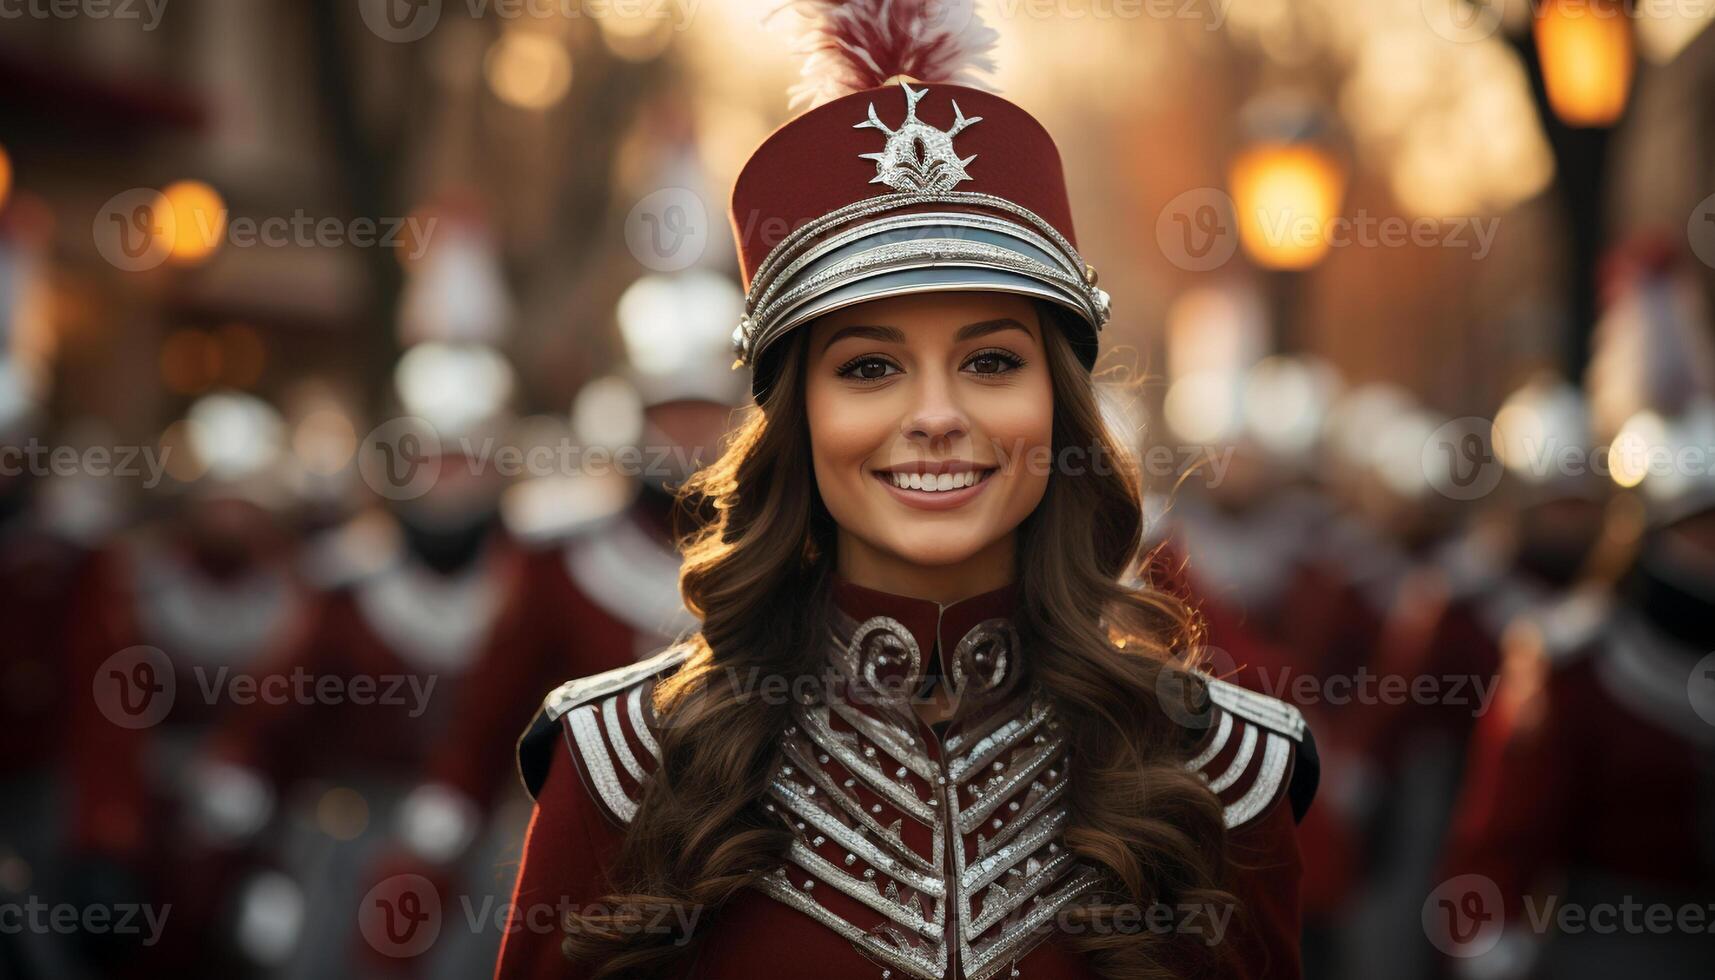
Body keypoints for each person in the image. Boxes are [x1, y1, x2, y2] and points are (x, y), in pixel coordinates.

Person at [497, 4, 1318, 978]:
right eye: (868, 369)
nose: (934, 414)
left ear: (1056, 406)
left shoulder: (1220, 773)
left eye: (988, 360)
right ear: (793, 420)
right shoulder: (622, 766)